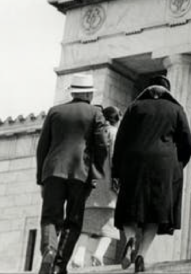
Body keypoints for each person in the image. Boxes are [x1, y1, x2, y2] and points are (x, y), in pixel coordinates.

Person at [112, 75, 191, 272]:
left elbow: (120, 141)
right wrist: (178, 164)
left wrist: (116, 171)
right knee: (155, 214)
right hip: (164, 165)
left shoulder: (134, 107)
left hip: (134, 163)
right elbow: (187, 142)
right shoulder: (176, 109)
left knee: (129, 209)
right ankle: (141, 255)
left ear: (148, 90)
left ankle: (130, 240)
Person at [36, 73, 109, 274]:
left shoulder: (54, 112)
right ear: (87, 93)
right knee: (73, 220)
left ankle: (49, 250)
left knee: (50, 217)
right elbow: (102, 146)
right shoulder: (95, 113)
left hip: (53, 171)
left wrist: (41, 179)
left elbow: (42, 147)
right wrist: (95, 173)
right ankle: (59, 265)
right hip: (81, 173)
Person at [70, 106, 121, 269]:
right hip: (109, 187)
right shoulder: (115, 135)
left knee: (86, 225)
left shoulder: (91, 135)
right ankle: (98, 254)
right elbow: (117, 161)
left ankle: (78, 256)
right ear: (117, 119)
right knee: (110, 225)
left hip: (90, 186)